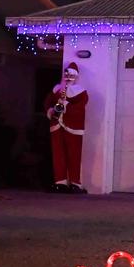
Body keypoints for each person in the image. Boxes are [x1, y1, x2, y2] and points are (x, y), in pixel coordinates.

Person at [45, 62, 88, 193]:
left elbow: (81, 107)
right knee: (58, 154)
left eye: (71, 75)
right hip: (57, 125)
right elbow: (48, 103)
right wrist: (51, 109)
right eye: (66, 74)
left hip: (72, 127)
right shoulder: (57, 89)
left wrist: (66, 106)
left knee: (74, 154)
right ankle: (60, 182)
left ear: (76, 76)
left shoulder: (80, 92)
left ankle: (75, 183)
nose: (68, 77)